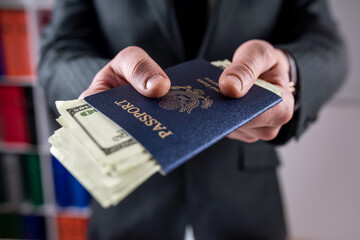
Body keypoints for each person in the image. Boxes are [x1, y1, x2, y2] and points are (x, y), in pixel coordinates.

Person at [39, 0, 347, 239]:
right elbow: (58, 51)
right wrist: (105, 97)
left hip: (245, 200)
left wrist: (287, 70)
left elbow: (328, 46)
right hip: (131, 204)